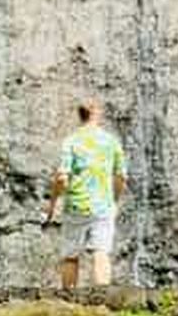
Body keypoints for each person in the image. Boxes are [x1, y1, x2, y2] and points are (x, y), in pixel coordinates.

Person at [44, 99, 127, 289]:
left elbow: (62, 177)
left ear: (79, 115)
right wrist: (114, 200)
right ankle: (102, 297)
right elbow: (121, 177)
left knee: (70, 256)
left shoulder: (71, 141)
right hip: (103, 206)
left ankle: (68, 297)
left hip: (75, 205)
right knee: (101, 252)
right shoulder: (111, 142)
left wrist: (53, 202)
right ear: (96, 113)